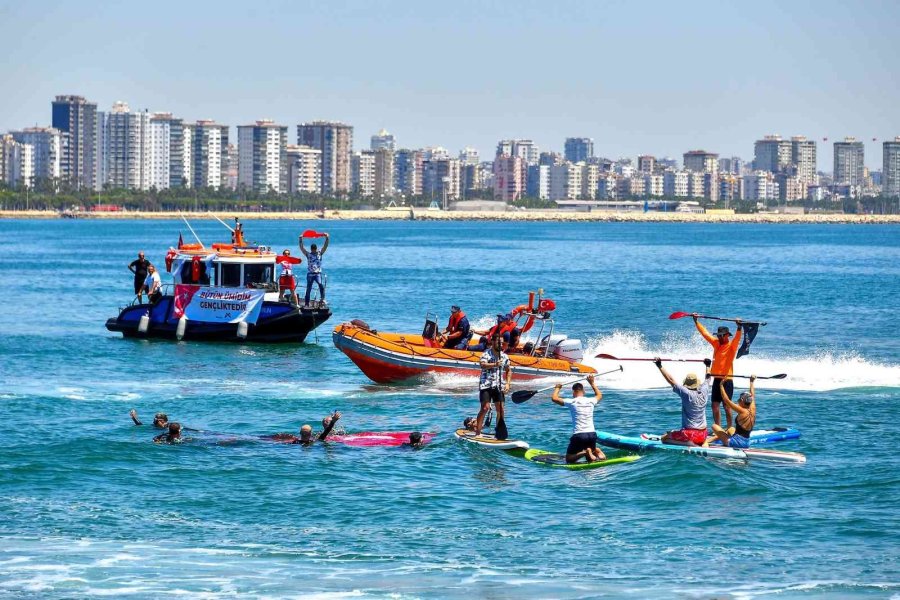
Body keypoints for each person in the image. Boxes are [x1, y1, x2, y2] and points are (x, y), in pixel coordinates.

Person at [693, 314, 743, 429]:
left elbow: (737, 338)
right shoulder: (716, 343)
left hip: (727, 380)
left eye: (721, 336)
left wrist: (739, 327)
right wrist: (696, 321)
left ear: (726, 336)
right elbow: (705, 334)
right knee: (715, 406)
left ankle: (730, 428)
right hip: (716, 379)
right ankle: (718, 428)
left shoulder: (731, 346)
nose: (719, 338)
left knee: (727, 406)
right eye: (718, 336)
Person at [654, 357, 713, 446]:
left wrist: (659, 365)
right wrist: (708, 365)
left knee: (664, 438)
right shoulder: (704, 390)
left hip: (690, 435)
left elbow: (671, 380)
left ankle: (688, 443)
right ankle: (702, 442)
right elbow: (708, 378)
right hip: (704, 433)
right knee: (675, 433)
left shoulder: (686, 393)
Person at [551, 374, 606, 463]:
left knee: (568, 459)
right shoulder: (591, 400)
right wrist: (592, 383)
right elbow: (599, 395)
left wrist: (557, 388)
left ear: (573, 392)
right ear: (583, 391)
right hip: (592, 434)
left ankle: (585, 452)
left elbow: (554, 398)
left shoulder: (572, 401)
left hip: (579, 435)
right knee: (590, 459)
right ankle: (597, 451)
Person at [475, 335, 511, 436]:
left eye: (502, 343)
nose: (500, 344)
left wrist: (508, 384)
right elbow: (482, 365)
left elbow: (509, 371)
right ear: (493, 342)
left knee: (501, 409)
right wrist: (495, 364)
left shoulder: (504, 356)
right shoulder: (486, 354)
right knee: (485, 408)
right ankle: (478, 432)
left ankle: (498, 431)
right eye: (498, 342)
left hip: (499, 385)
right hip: (486, 385)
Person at [709, 376, 757, 448]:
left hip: (735, 443)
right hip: (747, 443)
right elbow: (752, 395)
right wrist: (751, 382)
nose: (738, 401)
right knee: (731, 429)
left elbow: (726, 400)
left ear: (742, 400)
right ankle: (715, 438)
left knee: (714, 426)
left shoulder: (742, 411)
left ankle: (708, 441)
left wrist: (721, 385)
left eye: (739, 400)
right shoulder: (753, 408)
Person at [299, 233, 329, 307]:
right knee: (308, 288)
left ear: (316, 248)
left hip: (318, 273)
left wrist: (327, 238)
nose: (313, 250)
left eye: (314, 249)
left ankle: (322, 298)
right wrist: (300, 240)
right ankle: (306, 304)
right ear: (311, 249)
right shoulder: (308, 254)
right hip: (310, 274)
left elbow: (325, 246)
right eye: (312, 249)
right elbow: (302, 248)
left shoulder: (319, 253)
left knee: (320, 285)